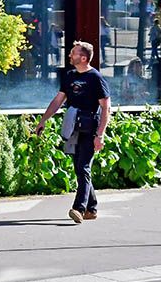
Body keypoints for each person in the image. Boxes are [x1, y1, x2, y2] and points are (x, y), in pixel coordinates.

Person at [33, 41, 112, 224]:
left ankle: (79, 208)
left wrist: (100, 135)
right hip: (73, 127)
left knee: (83, 167)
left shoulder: (96, 78)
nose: (69, 56)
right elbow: (58, 100)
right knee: (79, 167)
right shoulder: (69, 76)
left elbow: (106, 108)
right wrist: (43, 120)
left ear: (83, 58)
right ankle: (91, 209)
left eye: (73, 53)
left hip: (90, 127)